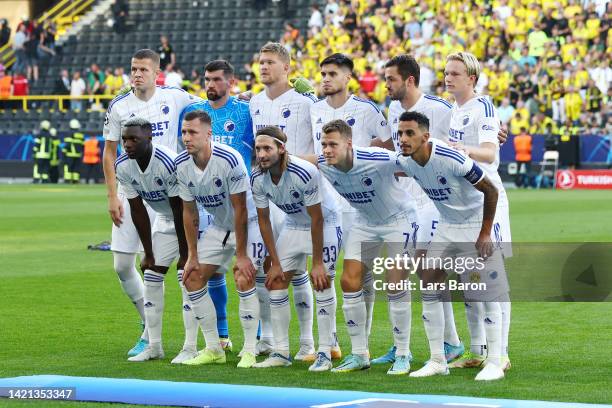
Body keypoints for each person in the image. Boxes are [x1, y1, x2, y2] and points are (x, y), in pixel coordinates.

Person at [395, 111, 507, 381]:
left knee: (484, 291)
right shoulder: (405, 162)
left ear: (426, 136)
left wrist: (484, 234)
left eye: (410, 133)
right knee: (429, 282)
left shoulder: (451, 157)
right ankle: (437, 360)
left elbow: (490, 190)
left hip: (473, 223)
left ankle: (494, 362)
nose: (403, 139)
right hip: (446, 225)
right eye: (400, 133)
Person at [102, 49, 198, 358]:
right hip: (132, 190)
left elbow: (209, 107)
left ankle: (181, 339)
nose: (137, 74)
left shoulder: (176, 97)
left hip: (169, 195)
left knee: (164, 266)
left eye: (143, 69)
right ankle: (148, 328)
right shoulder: (119, 105)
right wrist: (111, 195)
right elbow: (109, 152)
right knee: (121, 265)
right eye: (133, 69)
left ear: (156, 71)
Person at [372, 54, 465, 366]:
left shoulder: (439, 109)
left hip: (434, 202)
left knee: (427, 272)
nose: (386, 85)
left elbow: (463, 141)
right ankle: (406, 344)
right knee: (402, 274)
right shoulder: (394, 109)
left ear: (409, 80)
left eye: (391, 79)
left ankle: (448, 345)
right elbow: (398, 154)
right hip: (404, 201)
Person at [302, 119, 415, 375]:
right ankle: (359, 354)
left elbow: (415, 163)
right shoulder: (323, 163)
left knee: (395, 282)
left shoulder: (376, 158)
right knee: (349, 281)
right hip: (365, 221)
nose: (327, 150)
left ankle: (403, 353)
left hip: (400, 219)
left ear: (349, 144)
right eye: (324, 144)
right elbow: (293, 159)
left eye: (333, 144)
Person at [309, 53, 391, 354]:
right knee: (325, 272)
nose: (326, 78)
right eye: (323, 73)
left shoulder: (366, 110)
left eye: (332, 73)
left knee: (362, 274)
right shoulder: (313, 109)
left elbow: (389, 148)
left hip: (360, 207)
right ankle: (329, 342)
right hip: (327, 203)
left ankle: (362, 340)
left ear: (348, 78)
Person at [178, 59, 257, 353]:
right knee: (209, 273)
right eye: (206, 79)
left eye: (216, 79)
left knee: (251, 275)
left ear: (230, 81)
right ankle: (220, 338)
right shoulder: (193, 113)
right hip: (210, 205)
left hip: (243, 202)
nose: (210, 84)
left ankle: (260, 340)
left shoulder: (245, 111)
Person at [250, 126, 342, 371]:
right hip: (292, 224)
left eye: (267, 148)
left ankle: (324, 351)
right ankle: (281, 352)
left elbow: (317, 218)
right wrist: (275, 260)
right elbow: (263, 219)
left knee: (322, 283)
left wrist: (318, 262)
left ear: (281, 148)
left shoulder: (304, 172)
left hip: (325, 223)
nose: (261, 154)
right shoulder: (257, 177)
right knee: (275, 281)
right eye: (258, 148)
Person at [249, 42, 318, 361]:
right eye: (261, 62)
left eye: (271, 62)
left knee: (302, 270)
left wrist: (290, 161)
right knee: (268, 267)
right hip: (267, 194)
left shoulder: (305, 102)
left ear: (287, 68)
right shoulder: (254, 102)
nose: (263, 67)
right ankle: (272, 340)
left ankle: (308, 343)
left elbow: (323, 151)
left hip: (302, 195)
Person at [444, 51, 512, 372]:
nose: (448, 77)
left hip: (488, 199)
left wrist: (462, 150)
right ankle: (477, 349)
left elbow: (488, 152)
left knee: (493, 279)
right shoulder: (453, 110)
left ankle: (502, 353)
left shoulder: (482, 106)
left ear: (471, 78)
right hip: (463, 205)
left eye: (455, 73)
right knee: (468, 279)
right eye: (446, 72)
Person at [114, 118, 189, 363]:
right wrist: (147, 252)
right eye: (124, 139)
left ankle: (191, 347)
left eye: (133, 139)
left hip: (190, 219)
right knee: (152, 276)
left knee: (187, 278)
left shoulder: (168, 162)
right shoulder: (123, 165)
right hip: (164, 220)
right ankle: (154, 346)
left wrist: (187, 252)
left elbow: (181, 210)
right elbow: (138, 210)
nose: (127, 144)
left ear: (149, 138)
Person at [62, 119, 84, 184]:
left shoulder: (68, 134)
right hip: (78, 155)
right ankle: (75, 180)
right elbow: (82, 145)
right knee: (76, 168)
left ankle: (67, 180)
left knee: (68, 167)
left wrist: (64, 152)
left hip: (69, 154)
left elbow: (67, 145)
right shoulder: (80, 135)